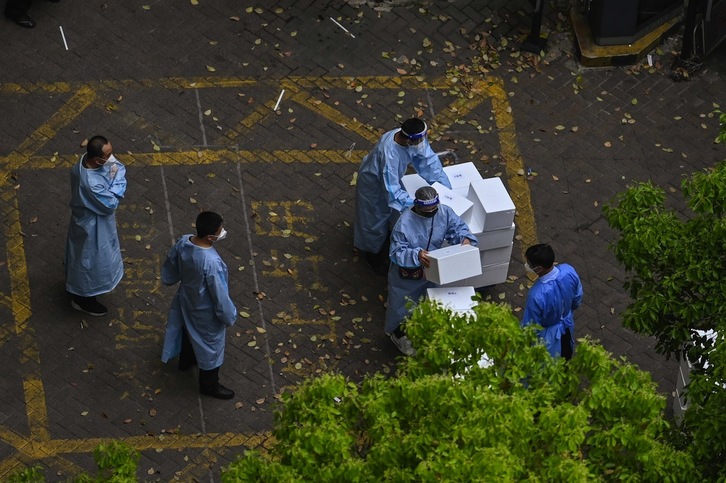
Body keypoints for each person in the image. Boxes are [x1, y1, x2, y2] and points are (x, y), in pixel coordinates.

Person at [385, 186, 477, 355]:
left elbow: (457, 228)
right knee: (403, 308)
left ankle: (417, 330)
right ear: (417, 206)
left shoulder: (444, 213)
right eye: (427, 210)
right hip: (407, 277)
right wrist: (416, 255)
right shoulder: (404, 224)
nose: (431, 213)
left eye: (434, 209)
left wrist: (465, 240)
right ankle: (397, 335)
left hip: (433, 270)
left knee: (428, 304)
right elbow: (396, 252)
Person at [354, 118, 452, 276]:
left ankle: (385, 239)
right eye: (419, 140)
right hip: (373, 187)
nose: (422, 142)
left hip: (390, 181)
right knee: (373, 219)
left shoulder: (413, 140)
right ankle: (372, 255)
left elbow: (428, 161)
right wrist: (420, 203)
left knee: (390, 215)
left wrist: (445, 188)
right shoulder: (389, 156)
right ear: (408, 140)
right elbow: (392, 192)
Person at [161, 211, 238, 400]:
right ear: (210, 236)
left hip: (187, 299)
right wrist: (229, 316)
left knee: (188, 329)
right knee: (211, 346)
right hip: (205, 311)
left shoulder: (184, 241)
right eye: (220, 231)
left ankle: (186, 361)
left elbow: (172, 264)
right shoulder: (211, 262)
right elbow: (219, 296)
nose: (222, 233)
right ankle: (209, 384)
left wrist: (169, 278)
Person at [65, 135, 126, 317]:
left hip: (86, 221)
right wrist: (114, 185)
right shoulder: (91, 184)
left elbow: (117, 168)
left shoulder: (84, 163)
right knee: (91, 261)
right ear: (97, 159)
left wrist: (113, 182)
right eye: (107, 155)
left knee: (82, 256)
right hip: (93, 227)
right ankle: (83, 299)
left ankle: (80, 291)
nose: (111, 158)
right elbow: (110, 204)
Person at [521, 244, 583, 360]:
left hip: (549, 338)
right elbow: (577, 297)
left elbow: (531, 326)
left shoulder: (536, 294)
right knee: (566, 356)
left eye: (529, 264)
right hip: (567, 328)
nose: (527, 266)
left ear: (539, 268)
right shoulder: (568, 271)